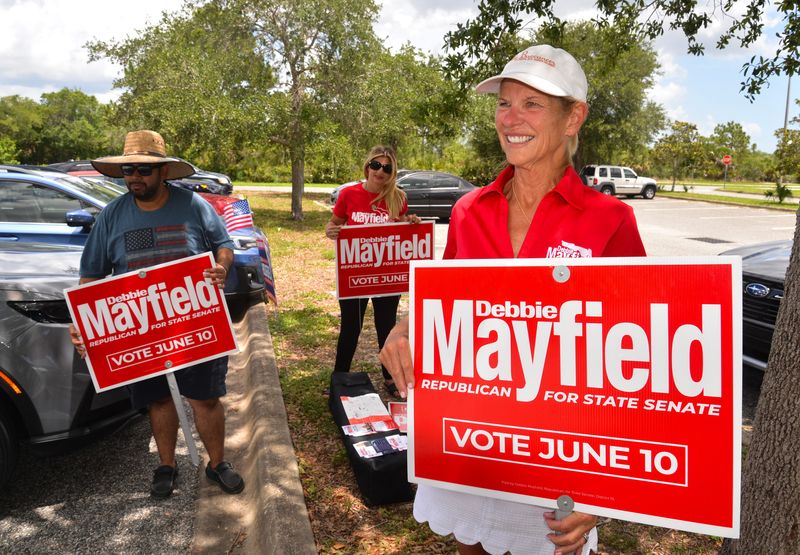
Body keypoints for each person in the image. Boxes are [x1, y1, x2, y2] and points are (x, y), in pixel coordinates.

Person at [379, 45, 647, 555]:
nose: (512, 118)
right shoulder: (468, 211)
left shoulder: (610, 221)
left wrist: (607, 491)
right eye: (504, 103)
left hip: (565, 456)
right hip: (477, 440)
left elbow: (639, 364)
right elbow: (444, 303)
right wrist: (408, 325)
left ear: (574, 117)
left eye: (532, 104)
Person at [68, 130, 245, 498]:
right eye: (130, 169)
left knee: (206, 398)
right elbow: (91, 276)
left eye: (145, 169)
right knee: (159, 399)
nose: (136, 176)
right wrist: (82, 324)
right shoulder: (111, 217)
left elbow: (223, 245)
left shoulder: (194, 206)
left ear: (163, 171)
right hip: (141, 331)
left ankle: (217, 464)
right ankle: (166, 465)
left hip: (196, 322)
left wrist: (222, 267)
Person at [325, 146, 419, 396]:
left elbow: (401, 230)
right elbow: (333, 224)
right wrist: (331, 231)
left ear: (392, 172)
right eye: (376, 165)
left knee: (386, 326)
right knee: (350, 327)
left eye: (387, 168)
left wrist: (411, 223)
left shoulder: (398, 197)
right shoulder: (348, 194)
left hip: (385, 275)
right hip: (355, 276)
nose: (380, 171)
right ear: (367, 167)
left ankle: (390, 378)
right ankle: (339, 376)